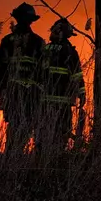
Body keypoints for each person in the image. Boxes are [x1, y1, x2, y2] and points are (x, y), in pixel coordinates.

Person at [0, 3, 45, 153]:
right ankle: (17, 159)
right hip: (26, 94)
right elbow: (1, 69)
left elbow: (0, 69)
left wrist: (2, 91)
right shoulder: (38, 41)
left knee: (19, 126)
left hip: (20, 93)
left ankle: (13, 159)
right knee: (23, 125)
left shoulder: (8, 41)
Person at [37, 18, 85, 154]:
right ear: (65, 34)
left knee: (43, 131)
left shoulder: (45, 49)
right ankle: (57, 155)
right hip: (62, 101)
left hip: (44, 101)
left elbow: (37, 73)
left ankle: (42, 156)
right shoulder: (68, 50)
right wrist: (81, 93)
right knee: (62, 131)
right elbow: (76, 73)